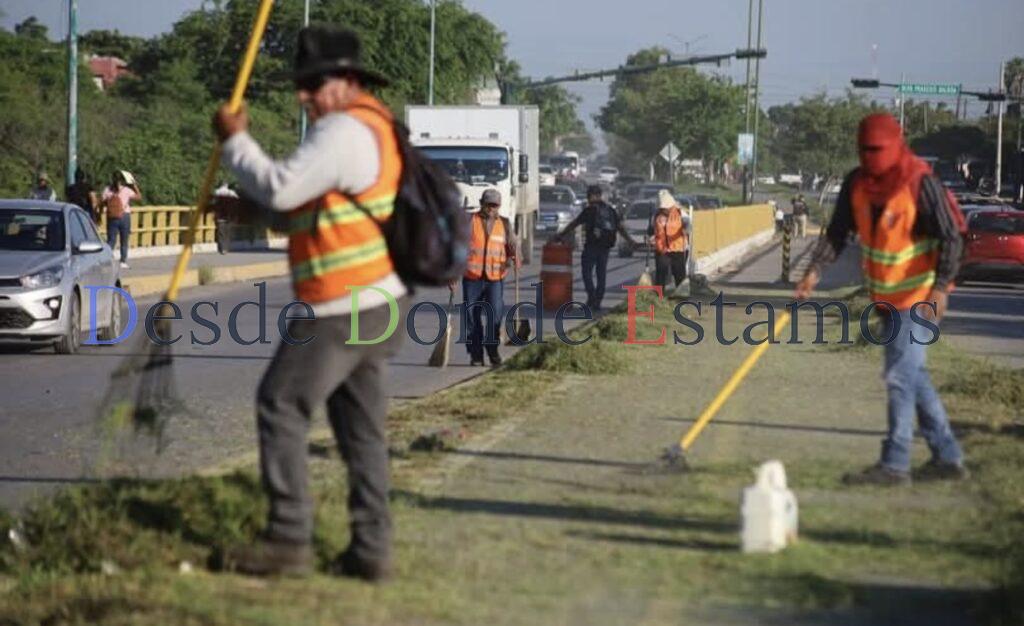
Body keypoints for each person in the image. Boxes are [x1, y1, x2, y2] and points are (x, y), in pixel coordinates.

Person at [213, 25, 407, 581]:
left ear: (345, 81)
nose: (304, 96)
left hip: (340, 307)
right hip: (378, 301)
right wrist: (254, 216)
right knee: (361, 432)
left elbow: (279, 186)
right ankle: (372, 550)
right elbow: (315, 207)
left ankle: (289, 539)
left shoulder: (344, 130)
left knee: (280, 402)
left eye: (313, 85)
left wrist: (234, 141)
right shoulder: (373, 125)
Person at [796, 112, 967, 486]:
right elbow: (838, 232)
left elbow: (952, 237)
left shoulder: (918, 182)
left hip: (920, 297)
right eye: (864, 150)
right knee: (913, 376)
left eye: (878, 149)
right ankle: (948, 456)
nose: (871, 156)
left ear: (895, 145)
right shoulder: (856, 184)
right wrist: (814, 271)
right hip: (885, 298)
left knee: (899, 376)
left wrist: (941, 288)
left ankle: (895, 464)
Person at [556, 184, 636, 311]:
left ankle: (592, 296)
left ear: (592, 196)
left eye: (589, 195)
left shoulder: (590, 210)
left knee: (586, 272)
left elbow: (575, 223)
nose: (588, 198)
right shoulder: (610, 210)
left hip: (591, 246)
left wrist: (561, 235)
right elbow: (620, 228)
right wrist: (631, 241)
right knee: (601, 274)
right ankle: (597, 301)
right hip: (605, 247)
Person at [462, 188, 518, 367]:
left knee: (494, 315)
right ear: (481, 204)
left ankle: (493, 352)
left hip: (495, 277)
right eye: (489, 205)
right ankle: (476, 355)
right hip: (472, 277)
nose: (492, 209)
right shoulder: (469, 221)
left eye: (495, 206)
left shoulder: (505, 224)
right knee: (472, 316)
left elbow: (512, 247)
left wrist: (514, 259)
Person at [651, 189, 689, 292]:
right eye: (662, 208)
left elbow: (687, 224)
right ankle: (658, 297)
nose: (664, 210)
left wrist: (686, 229)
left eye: (666, 207)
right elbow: (651, 230)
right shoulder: (656, 215)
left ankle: (682, 296)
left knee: (679, 274)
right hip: (662, 249)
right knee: (660, 274)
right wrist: (650, 238)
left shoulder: (680, 212)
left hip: (678, 249)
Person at [102, 171, 141, 269]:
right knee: (124, 239)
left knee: (111, 240)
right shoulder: (127, 190)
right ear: (122, 180)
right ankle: (123, 261)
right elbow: (139, 197)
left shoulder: (107, 190)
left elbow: (102, 201)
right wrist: (134, 185)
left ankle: (107, 260)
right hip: (124, 216)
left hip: (112, 217)